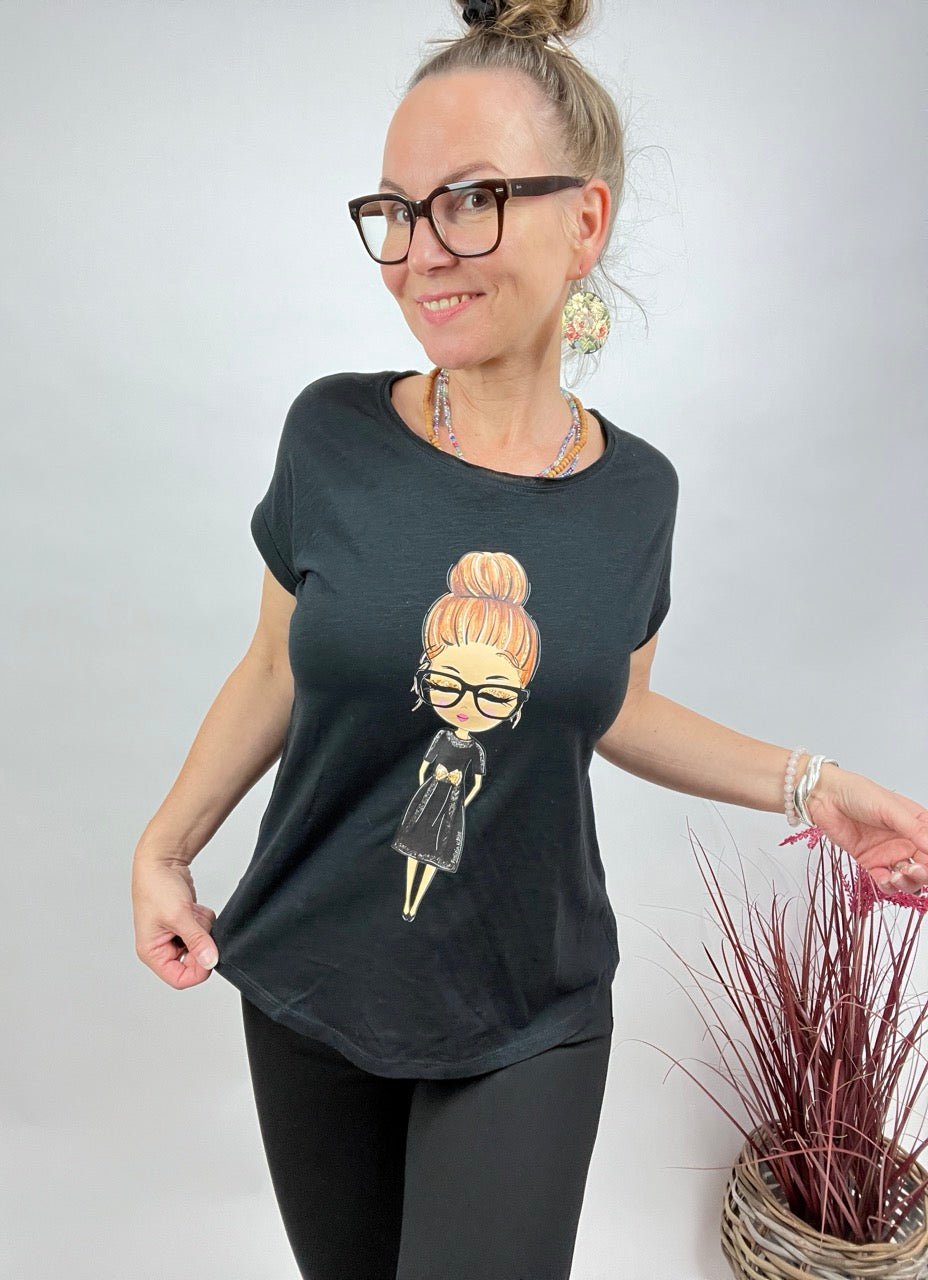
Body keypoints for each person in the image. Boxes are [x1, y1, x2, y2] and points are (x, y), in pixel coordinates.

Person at [130, 2, 928, 1277]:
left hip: (525, 1002)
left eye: (472, 199)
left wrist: (813, 785)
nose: (420, 251)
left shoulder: (638, 494)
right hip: (311, 980)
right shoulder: (330, 434)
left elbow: (610, 701)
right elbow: (274, 661)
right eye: (397, 210)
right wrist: (164, 847)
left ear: (586, 221)